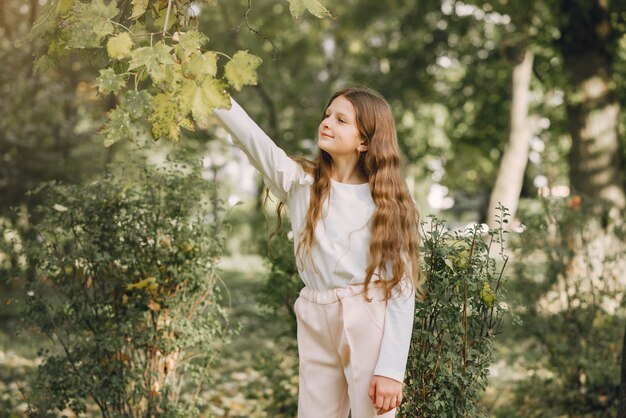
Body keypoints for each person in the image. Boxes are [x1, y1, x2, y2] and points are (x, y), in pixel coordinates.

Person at [214, 86, 421, 418]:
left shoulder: (385, 201)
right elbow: (251, 138)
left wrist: (391, 370)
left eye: (341, 120)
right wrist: (203, 84)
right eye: (327, 115)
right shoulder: (300, 183)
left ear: (364, 141)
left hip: (366, 313)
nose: (327, 123)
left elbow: (402, 287)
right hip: (314, 310)